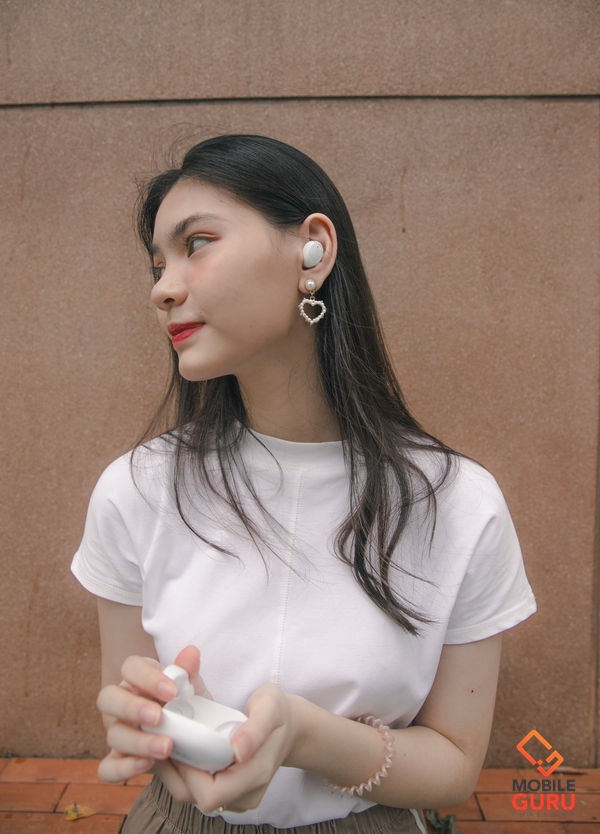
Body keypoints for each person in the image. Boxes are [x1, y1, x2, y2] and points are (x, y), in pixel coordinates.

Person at [71, 134, 536, 834]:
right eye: (158, 265)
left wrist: (307, 737)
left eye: (197, 244)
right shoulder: (137, 489)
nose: (162, 289)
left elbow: (455, 768)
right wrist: (153, 734)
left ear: (313, 249)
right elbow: (136, 708)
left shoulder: (457, 504)